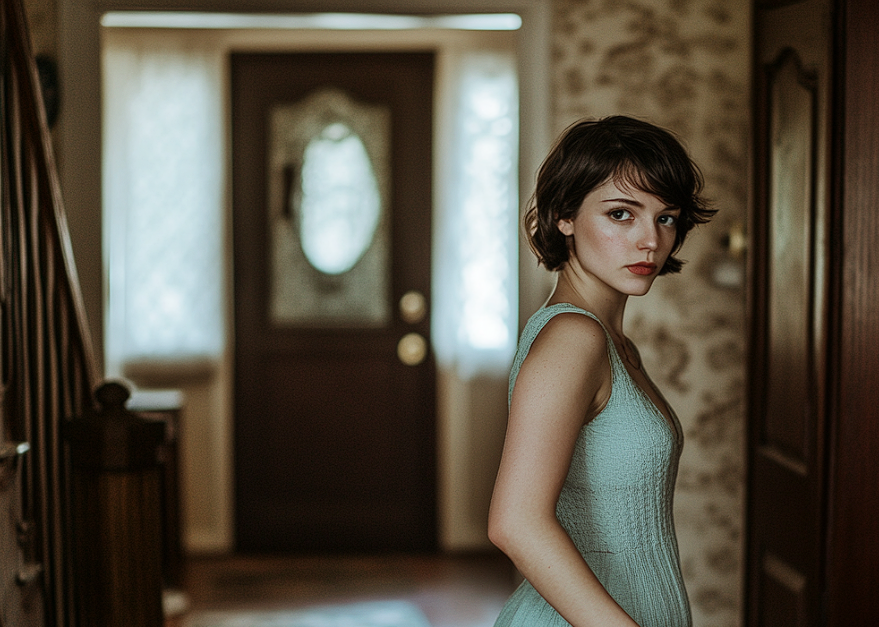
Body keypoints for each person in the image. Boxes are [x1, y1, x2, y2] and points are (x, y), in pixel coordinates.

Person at [488, 115, 716, 627]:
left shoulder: (610, 341)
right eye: (621, 214)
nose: (650, 241)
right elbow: (515, 523)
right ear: (564, 215)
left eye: (666, 218)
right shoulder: (575, 338)